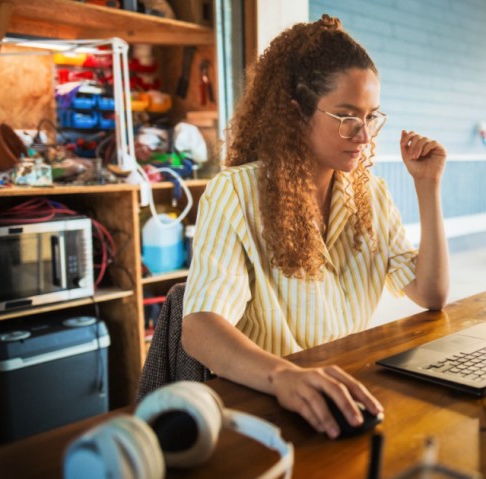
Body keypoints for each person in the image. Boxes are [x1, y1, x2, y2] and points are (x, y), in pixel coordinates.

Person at [181, 14, 449, 440]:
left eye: (371, 117)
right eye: (346, 116)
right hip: (267, 406)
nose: (363, 135)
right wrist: (284, 377)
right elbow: (198, 328)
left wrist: (428, 186)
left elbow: (430, 293)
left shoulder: (369, 194)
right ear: (295, 113)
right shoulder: (236, 193)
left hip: (347, 397)